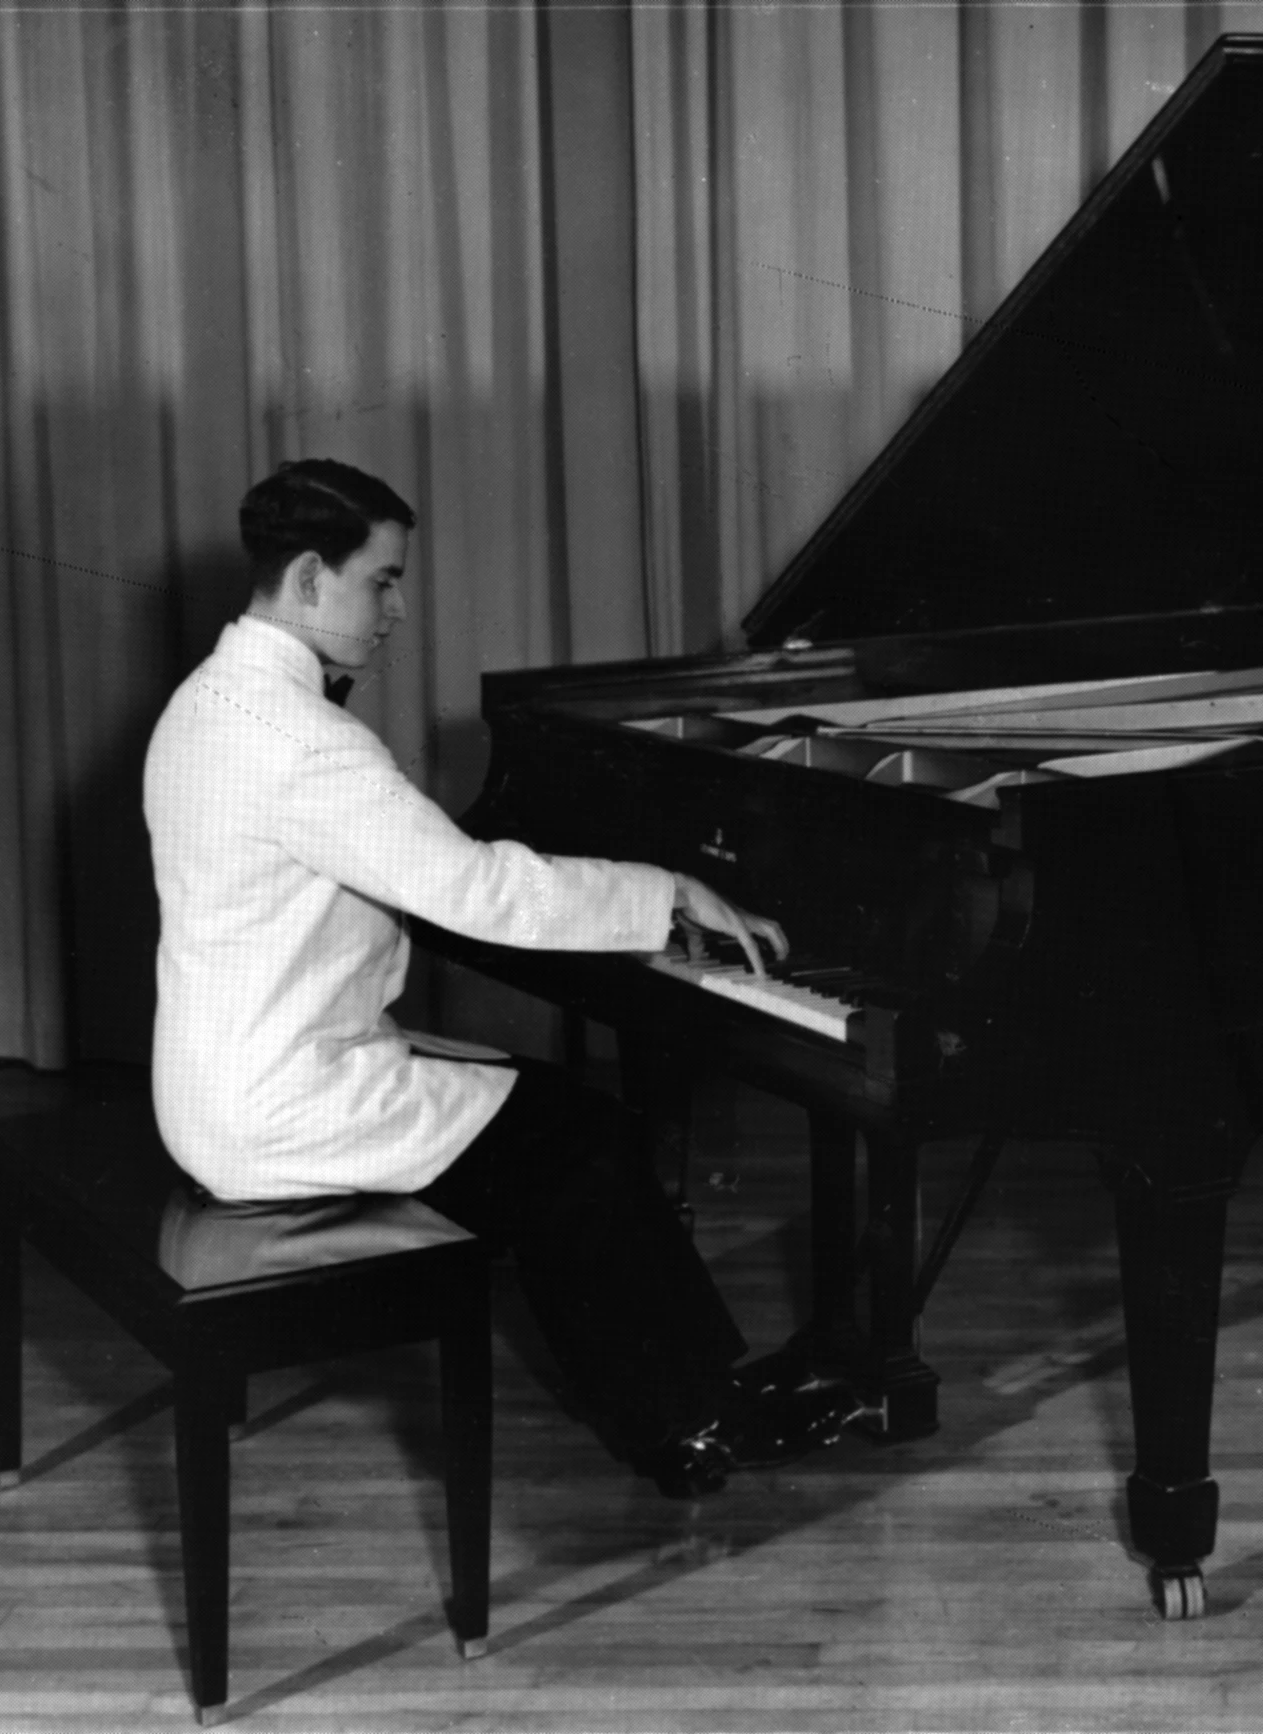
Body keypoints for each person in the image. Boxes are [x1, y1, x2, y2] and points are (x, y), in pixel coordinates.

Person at [143, 456, 854, 1496]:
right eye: (380, 580)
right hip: (278, 1105)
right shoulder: (306, 742)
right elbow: (478, 894)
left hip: (221, 1077)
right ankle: (686, 1426)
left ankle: (679, 1392)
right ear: (306, 579)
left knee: (554, 1118)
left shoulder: (209, 700)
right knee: (585, 1147)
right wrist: (669, 892)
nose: (394, 610)